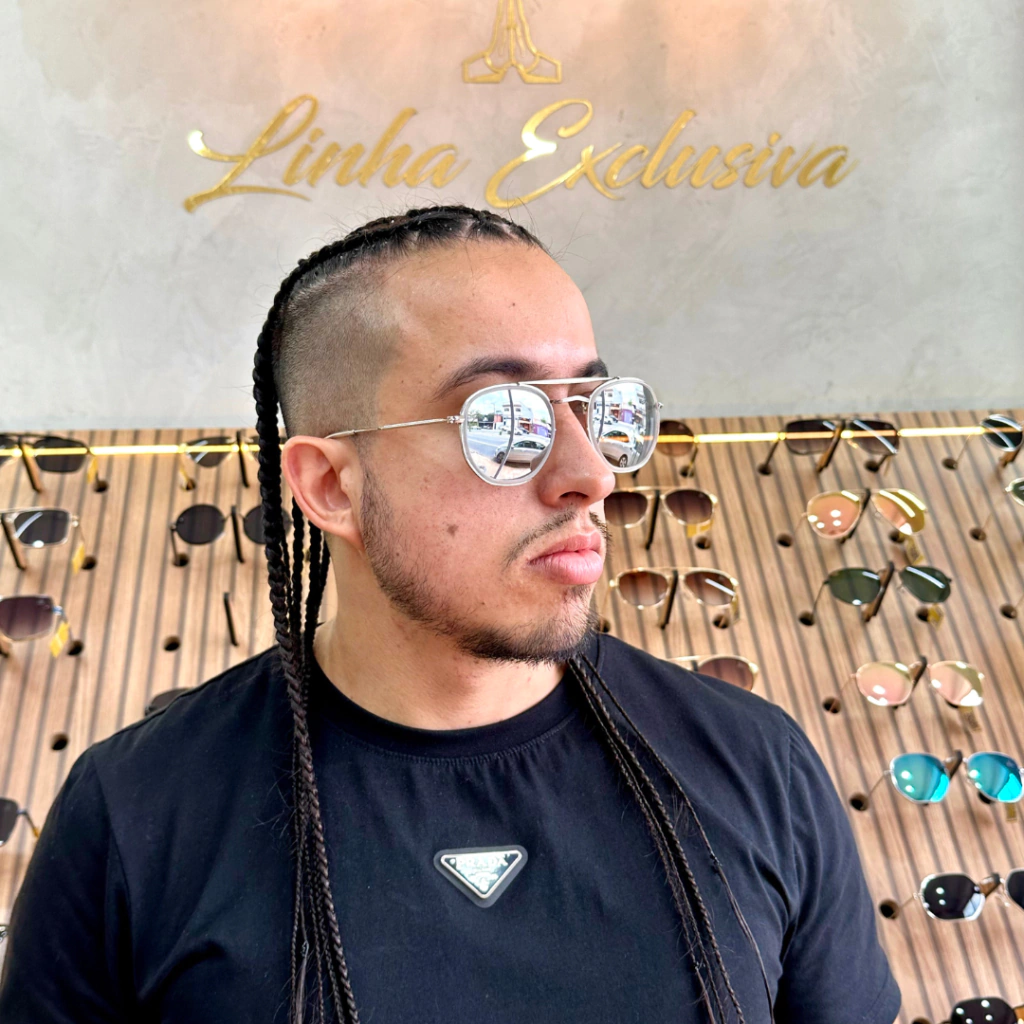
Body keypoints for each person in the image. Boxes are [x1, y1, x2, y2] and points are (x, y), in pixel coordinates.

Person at [0, 205, 901, 1024]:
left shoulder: (755, 763)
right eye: (503, 421)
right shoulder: (135, 813)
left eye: (597, 409)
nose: (591, 474)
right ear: (330, 485)